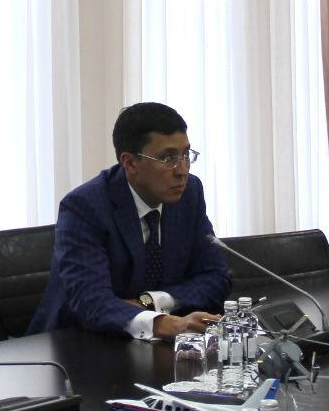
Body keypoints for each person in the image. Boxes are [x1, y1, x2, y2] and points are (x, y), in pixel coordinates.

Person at [28, 102, 230, 338]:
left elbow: (216, 277)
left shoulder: (189, 193)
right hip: (76, 343)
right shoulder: (85, 207)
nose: (182, 170)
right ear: (130, 163)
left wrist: (151, 301)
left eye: (186, 155)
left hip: (152, 345)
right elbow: (91, 302)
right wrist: (166, 324)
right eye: (168, 158)